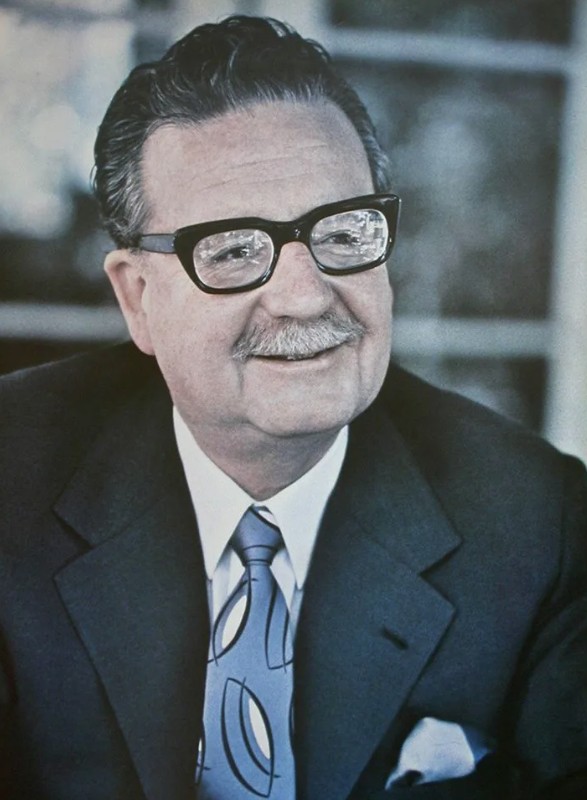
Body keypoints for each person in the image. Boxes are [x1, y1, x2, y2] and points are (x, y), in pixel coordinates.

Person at [0, 14, 586, 800]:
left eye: (342, 233)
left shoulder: (537, 521)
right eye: (233, 250)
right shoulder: (10, 477)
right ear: (137, 298)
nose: (306, 296)